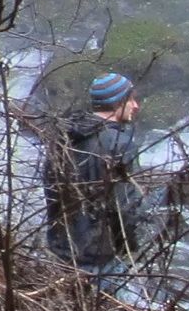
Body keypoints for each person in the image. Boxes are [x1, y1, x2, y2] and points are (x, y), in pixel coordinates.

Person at [46, 70, 143, 285]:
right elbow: (124, 208)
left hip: (60, 252)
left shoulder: (61, 139)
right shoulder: (119, 145)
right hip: (99, 259)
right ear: (119, 102)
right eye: (131, 99)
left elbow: (52, 195)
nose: (135, 105)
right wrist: (130, 248)